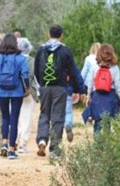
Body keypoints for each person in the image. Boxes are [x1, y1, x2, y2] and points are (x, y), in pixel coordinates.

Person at [34, 25, 83, 158]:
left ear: (48, 34)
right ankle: (55, 149)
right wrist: (78, 89)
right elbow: (72, 71)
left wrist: (42, 86)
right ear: (61, 35)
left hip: (45, 87)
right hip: (60, 88)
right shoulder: (65, 50)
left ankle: (42, 140)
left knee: (44, 114)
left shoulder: (41, 49)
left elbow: (36, 70)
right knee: (57, 117)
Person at [0, 33, 29, 159]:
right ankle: (11, 150)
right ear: (16, 43)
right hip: (17, 91)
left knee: (5, 117)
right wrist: (27, 87)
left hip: (1, 91)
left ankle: (4, 143)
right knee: (14, 119)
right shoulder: (20, 58)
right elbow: (25, 74)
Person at [83, 44, 120, 133]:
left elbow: (90, 82)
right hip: (110, 97)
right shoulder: (115, 68)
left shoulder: (95, 66)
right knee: (107, 122)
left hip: (97, 96)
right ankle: (107, 144)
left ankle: (97, 145)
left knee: (97, 123)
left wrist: (88, 95)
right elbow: (118, 85)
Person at [16, 37, 38, 153]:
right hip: (29, 93)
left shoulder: (13, 59)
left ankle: (14, 140)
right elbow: (36, 78)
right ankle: (22, 145)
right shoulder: (32, 61)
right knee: (26, 118)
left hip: (14, 91)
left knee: (15, 117)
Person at [64, 62, 87, 142]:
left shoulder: (53, 62)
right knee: (68, 112)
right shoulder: (70, 64)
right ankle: (68, 124)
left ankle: (54, 131)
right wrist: (82, 91)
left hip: (55, 92)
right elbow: (78, 77)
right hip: (67, 92)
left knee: (56, 113)